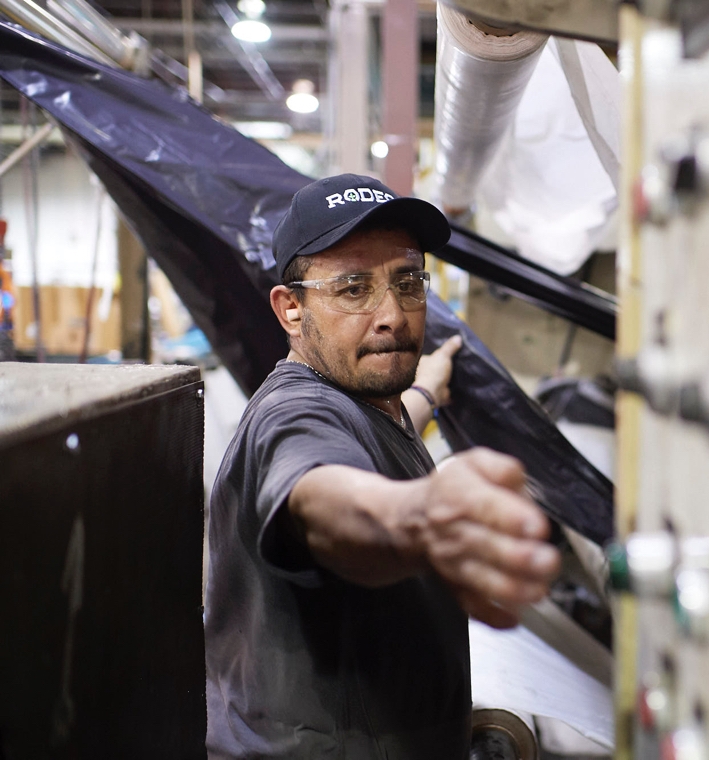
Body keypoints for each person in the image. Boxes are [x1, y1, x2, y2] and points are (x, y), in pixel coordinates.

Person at [204, 173, 561, 759]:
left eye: (408, 281)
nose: (392, 314)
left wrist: (430, 393)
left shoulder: (369, 403)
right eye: (353, 289)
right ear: (291, 310)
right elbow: (320, 497)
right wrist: (420, 516)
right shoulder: (294, 411)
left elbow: (382, 430)